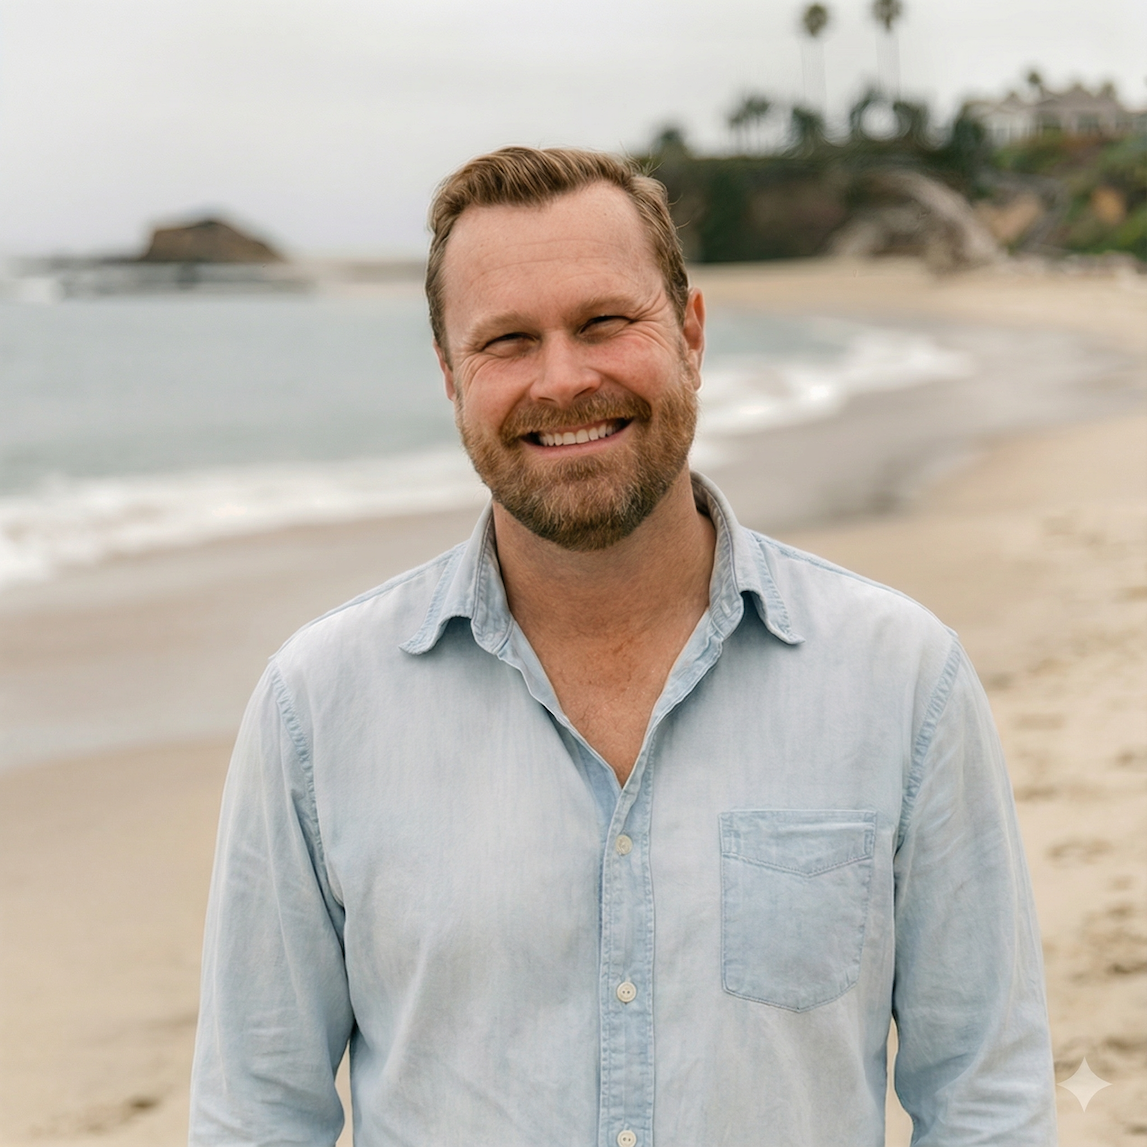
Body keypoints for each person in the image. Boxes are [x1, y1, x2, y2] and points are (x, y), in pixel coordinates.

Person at [190, 147, 1056, 1145]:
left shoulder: (902, 678)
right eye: (507, 341)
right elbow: (255, 1114)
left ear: (689, 334)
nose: (563, 379)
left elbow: (987, 1098)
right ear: (450, 376)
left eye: (604, 323)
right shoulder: (318, 708)